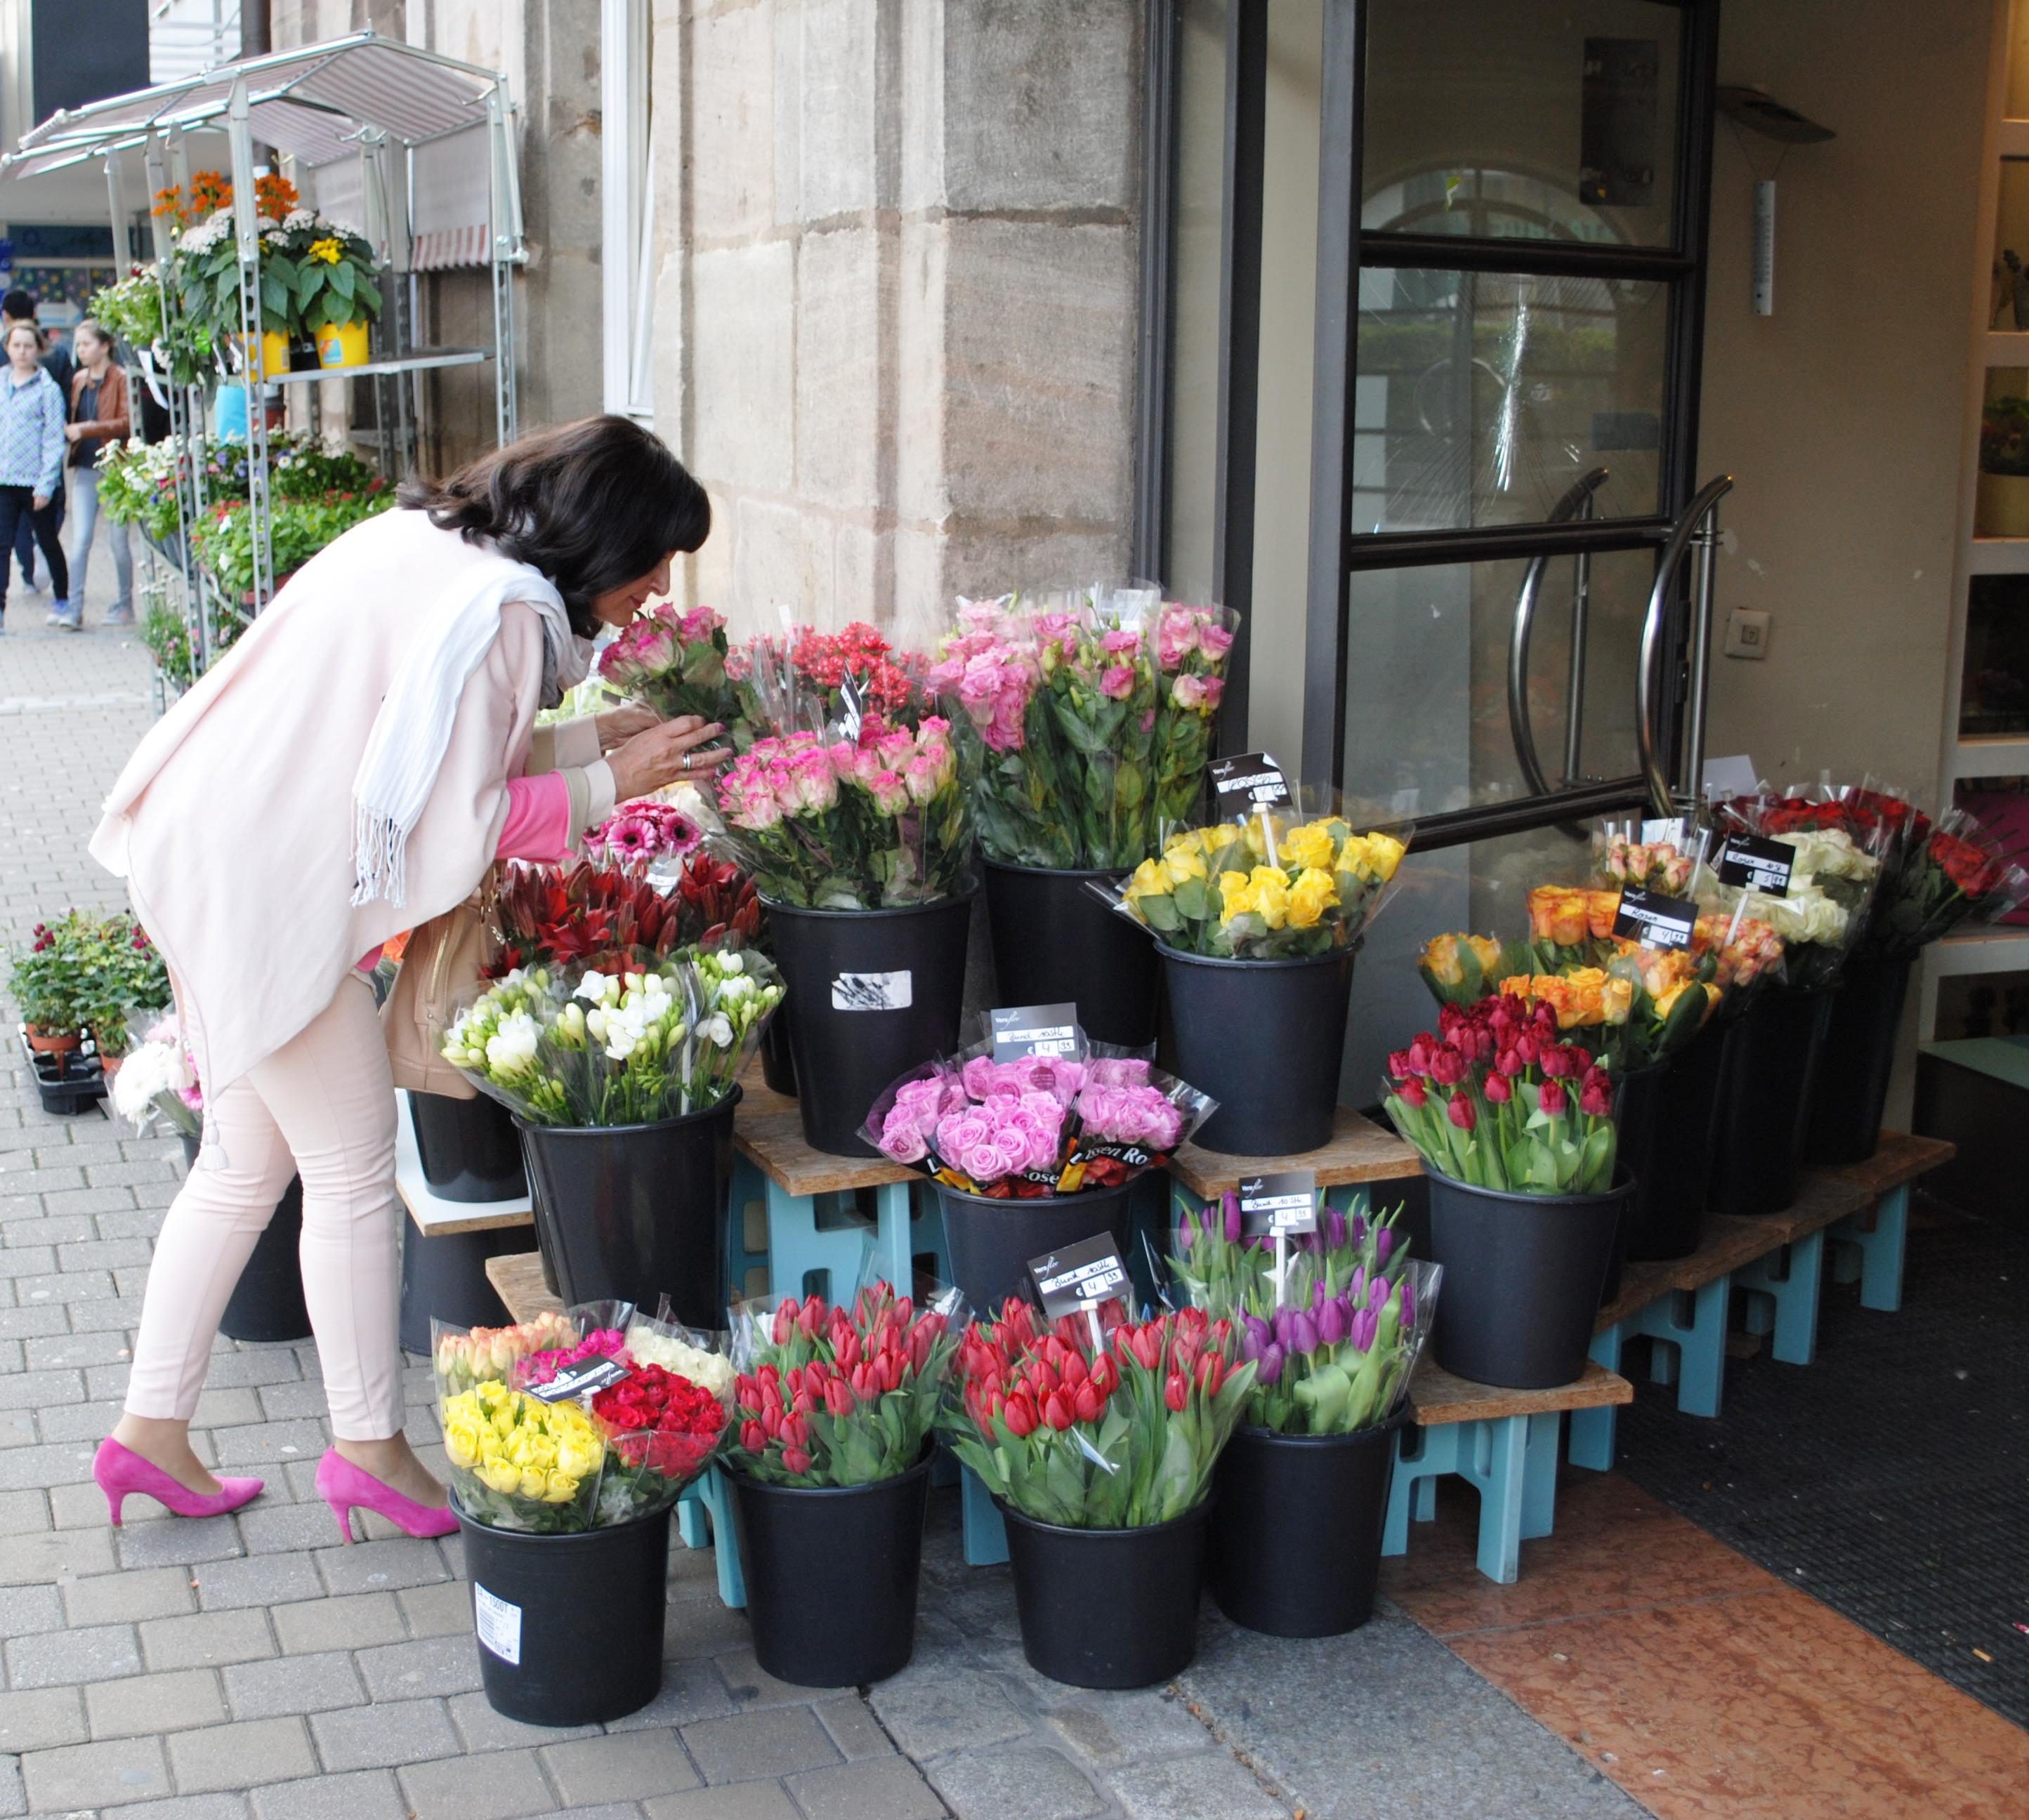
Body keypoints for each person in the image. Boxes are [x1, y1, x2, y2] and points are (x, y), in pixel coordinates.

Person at [88, 415, 730, 1538]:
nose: (658, 588)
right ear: (606, 535)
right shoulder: (506, 617)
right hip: (260, 890)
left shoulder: (443, 551)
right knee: (343, 1171)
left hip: (206, 851)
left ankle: (150, 1435)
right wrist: (610, 779)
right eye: (658, 557)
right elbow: (452, 821)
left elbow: (426, 757)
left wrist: (590, 745)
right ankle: (369, 1449)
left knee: (245, 1163)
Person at [63, 319, 133, 628]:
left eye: (86, 344)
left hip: (114, 468)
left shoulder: (121, 378)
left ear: (104, 346)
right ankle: (74, 608)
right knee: (80, 540)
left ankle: (125, 604)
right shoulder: (79, 380)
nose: (81, 350)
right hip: (85, 469)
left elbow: (126, 422)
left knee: (118, 542)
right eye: (78, 345)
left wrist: (87, 430)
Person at [0, 319, 70, 631]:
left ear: (38, 350)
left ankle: (63, 601)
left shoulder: (48, 389)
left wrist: (46, 483)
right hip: (4, 478)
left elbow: (55, 439)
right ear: (7, 349)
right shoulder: (0, 383)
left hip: (35, 481)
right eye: (16, 346)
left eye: (28, 346)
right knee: (2, 546)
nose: (22, 352)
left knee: (47, 542)